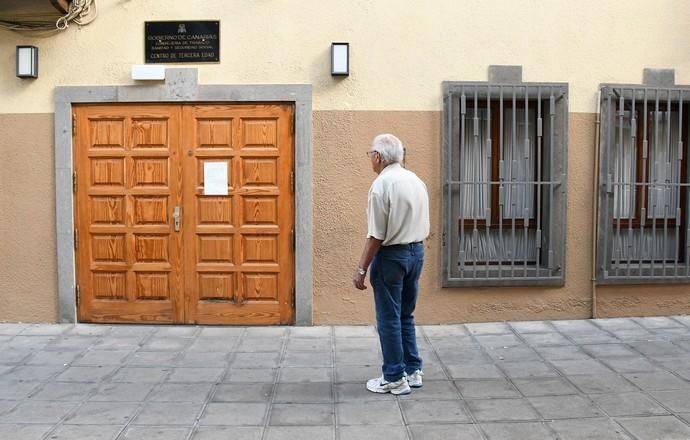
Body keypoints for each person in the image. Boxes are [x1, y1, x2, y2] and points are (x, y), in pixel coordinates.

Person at [352, 133, 430, 395]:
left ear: (378, 157)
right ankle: (412, 369)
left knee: (388, 319)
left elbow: (376, 234)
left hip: (392, 257)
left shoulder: (381, 185)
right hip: (416, 252)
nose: (370, 160)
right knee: (405, 315)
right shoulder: (416, 180)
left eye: (370, 155)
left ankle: (394, 377)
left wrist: (361, 268)